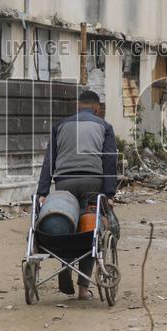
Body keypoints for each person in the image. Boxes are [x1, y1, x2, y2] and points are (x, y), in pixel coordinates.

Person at [36, 89, 118, 300]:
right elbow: (110, 161)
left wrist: (42, 192)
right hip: (93, 182)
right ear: (97, 108)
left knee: (67, 226)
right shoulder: (105, 127)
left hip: (64, 183)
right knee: (89, 228)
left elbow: (49, 160)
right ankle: (83, 289)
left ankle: (65, 266)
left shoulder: (60, 126)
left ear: (78, 107)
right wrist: (109, 193)